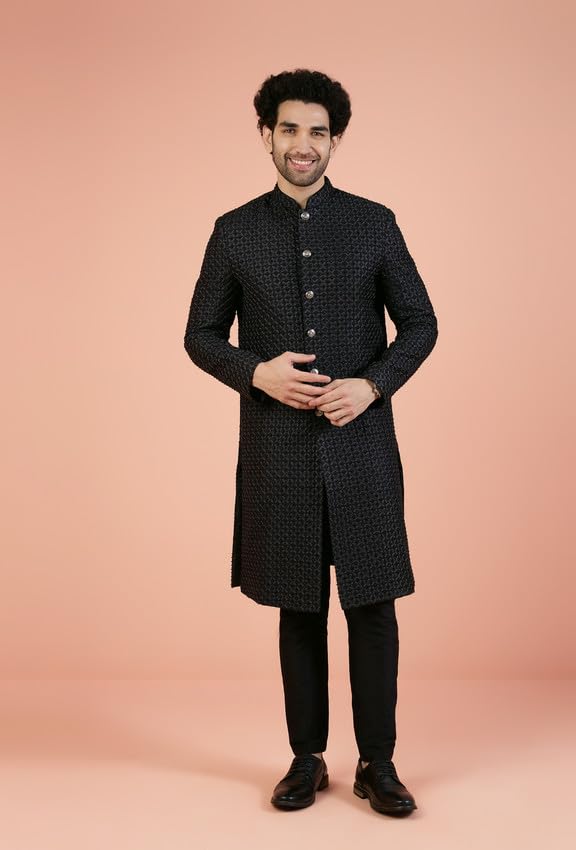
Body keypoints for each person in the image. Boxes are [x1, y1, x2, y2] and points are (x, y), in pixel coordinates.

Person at [184, 68, 438, 816]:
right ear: (266, 135)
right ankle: (306, 760)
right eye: (290, 129)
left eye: (318, 132)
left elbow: (420, 323)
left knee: (373, 606)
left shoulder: (374, 223)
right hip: (279, 452)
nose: (304, 144)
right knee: (298, 608)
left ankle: (378, 765)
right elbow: (200, 335)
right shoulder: (234, 231)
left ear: (335, 141)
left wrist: (373, 385)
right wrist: (255, 372)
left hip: (363, 451)